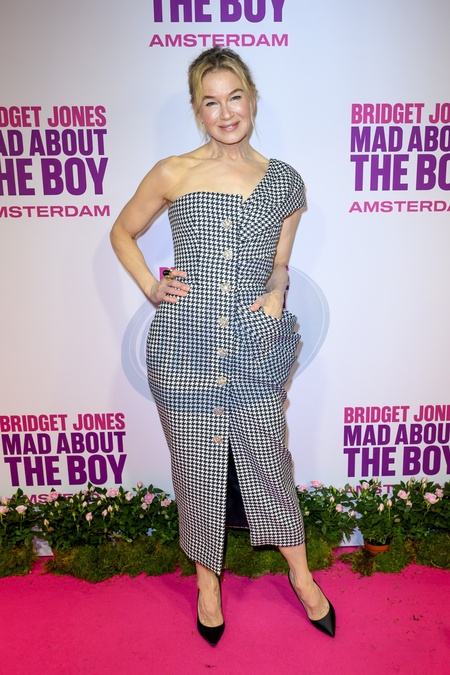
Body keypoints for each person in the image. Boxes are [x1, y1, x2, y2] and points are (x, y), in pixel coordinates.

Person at [110, 46, 335, 645]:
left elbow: (280, 261)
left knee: (268, 462)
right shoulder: (173, 171)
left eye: (235, 97)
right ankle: (208, 585)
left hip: (256, 347)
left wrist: (277, 290)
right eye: (211, 102)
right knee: (196, 468)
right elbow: (123, 231)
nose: (226, 112)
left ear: (252, 99)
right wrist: (151, 286)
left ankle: (302, 576)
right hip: (184, 347)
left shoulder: (285, 181)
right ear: (197, 111)